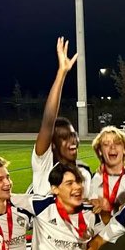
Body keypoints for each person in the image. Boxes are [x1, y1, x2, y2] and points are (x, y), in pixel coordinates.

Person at [30, 37, 91, 197]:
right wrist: (62, 73)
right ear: (53, 145)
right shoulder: (44, 165)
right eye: (63, 138)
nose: (72, 141)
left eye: (72, 135)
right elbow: (48, 121)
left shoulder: (84, 173)